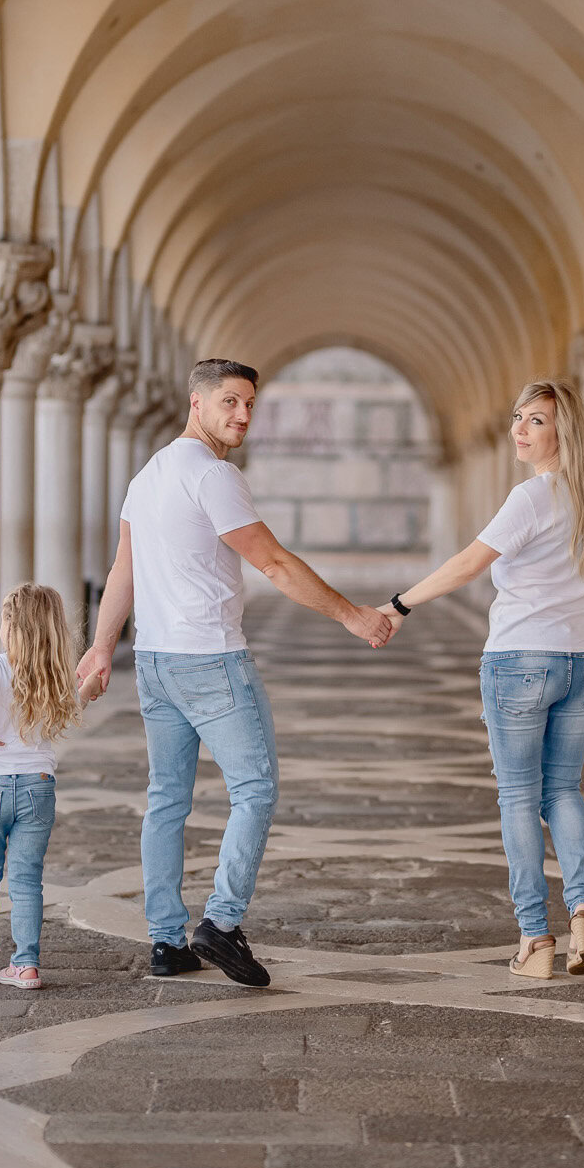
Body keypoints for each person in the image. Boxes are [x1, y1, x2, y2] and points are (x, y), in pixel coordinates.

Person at [79, 358, 394, 989]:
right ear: (196, 403)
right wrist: (354, 616)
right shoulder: (214, 475)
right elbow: (273, 563)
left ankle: (166, 942)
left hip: (156, 662)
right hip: (210, 660)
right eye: (229, 402)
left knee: (167, 800)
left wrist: (102, 646)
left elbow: (123, 573)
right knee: (256, 788)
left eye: (249, 404)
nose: (242, 415)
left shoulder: (147, 476)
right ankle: (220, 923)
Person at [376, 378, 584, 979]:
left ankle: (535, 938)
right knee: (565, 791)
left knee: (519, 798)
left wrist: (398, 606)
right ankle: (582, 911)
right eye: (518, 418)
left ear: (563, 432)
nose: (519, 430)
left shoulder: (531, 498)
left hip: (521, 661)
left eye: (535, 420)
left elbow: (469, 564)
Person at [0, 582, 93, 989]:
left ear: (8, 626)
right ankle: (26, 964)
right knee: (26, 879)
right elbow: (73, 705)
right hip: (37, 786)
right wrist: (90, 688)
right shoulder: (53, 675)